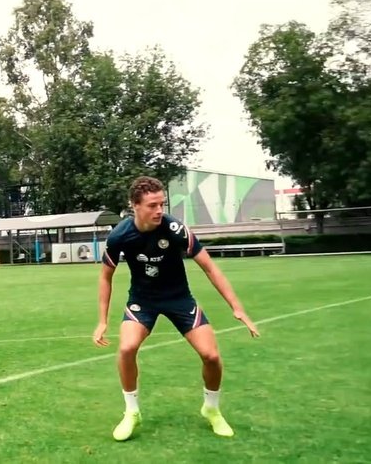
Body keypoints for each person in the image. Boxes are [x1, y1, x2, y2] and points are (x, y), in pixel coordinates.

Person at [92, 176, 260, 441]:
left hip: (179, 299)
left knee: (212, 356)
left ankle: (212, 409)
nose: (159, 210)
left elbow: (209, 266)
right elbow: (105, 277)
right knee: (126, 348)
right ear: (134, 205)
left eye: (162, 204)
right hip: (143, 301)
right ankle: (131, 412)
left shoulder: (175, 228)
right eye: (152, 205)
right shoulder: (120, 236)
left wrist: (237, 308)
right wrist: (102, 320)